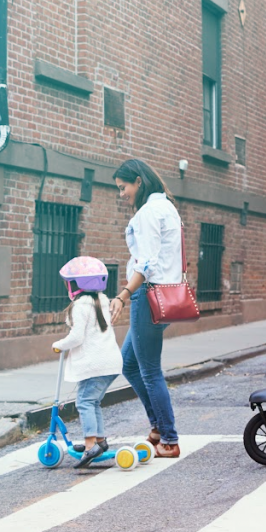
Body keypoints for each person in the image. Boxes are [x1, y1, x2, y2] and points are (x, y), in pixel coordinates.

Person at [109, 159, 183, 459]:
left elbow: (148, 262)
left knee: (150, 370)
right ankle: (158, 428)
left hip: (148, 295)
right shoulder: (166, 207)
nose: (122, 193)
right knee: (128, 364)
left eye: (123, 187)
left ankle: (169, 438)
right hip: (163, 295)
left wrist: (124, 294)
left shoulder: (150, 212)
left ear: (138, 181)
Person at [53, 257, 123, 468]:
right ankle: (99, 442)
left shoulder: (81, 305)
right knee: (93, 402)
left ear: (77, 285)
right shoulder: (102, 301)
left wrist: (58, 345)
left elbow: (76, 338)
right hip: (109, 363)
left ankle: (90, 443)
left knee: (84, 402)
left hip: (95, 365)